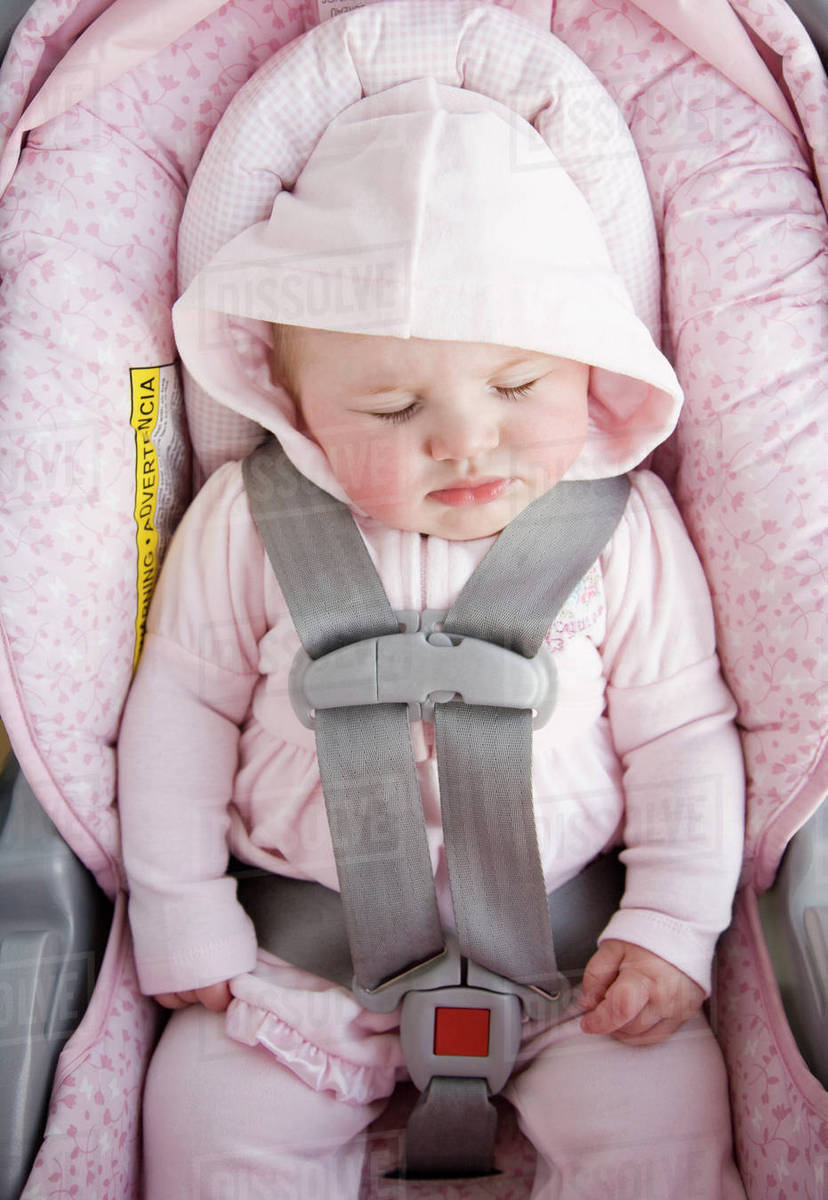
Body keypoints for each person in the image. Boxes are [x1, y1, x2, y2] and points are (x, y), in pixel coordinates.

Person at [118, 75, 747, 1199]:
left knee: (661, 1128)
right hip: (292, 965)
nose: (467, 440)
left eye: (518, 384)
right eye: (394, 410)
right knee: (210, 1121)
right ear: (292, 400)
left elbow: (685, 734)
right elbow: (178, 713)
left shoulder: (625, 529)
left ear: (595, 371)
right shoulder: (248, 520)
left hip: (581, 963)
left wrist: (669, 927)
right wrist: (182, 915)